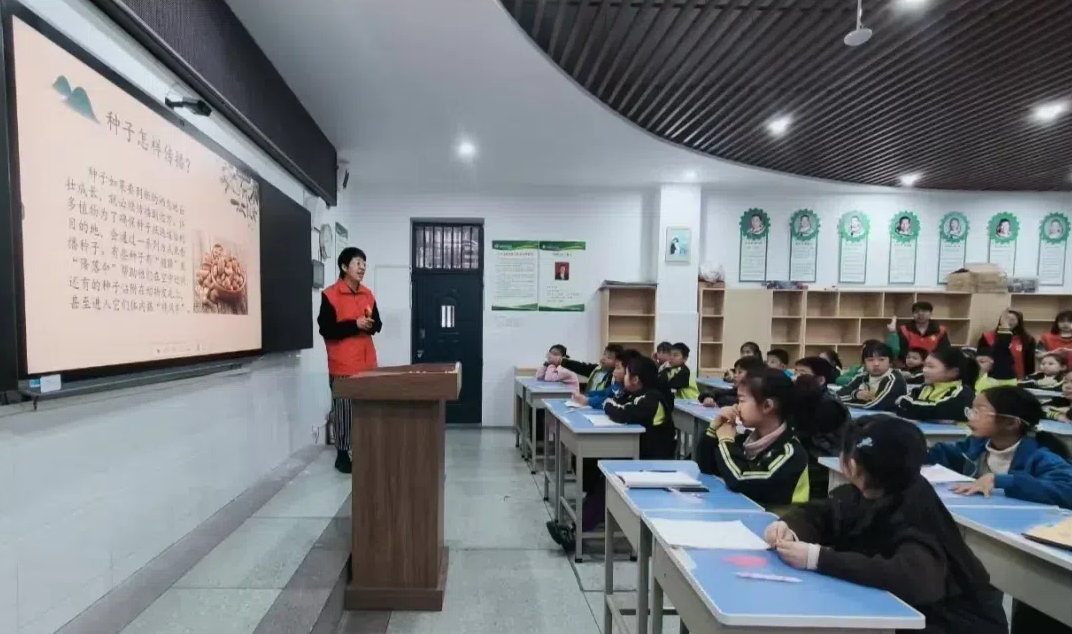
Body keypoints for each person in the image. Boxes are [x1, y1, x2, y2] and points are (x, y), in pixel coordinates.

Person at [766, 415, 1009, 634]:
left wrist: (818, 558)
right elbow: (823, 513)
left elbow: (914, 579)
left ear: (852, 465)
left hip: (954, 624)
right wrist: (790, 527)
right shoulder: (872, 491)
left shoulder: (914, 510)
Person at [549, 356, 675, 551]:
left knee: (608, 483)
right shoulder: (635, 393)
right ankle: (592, 509)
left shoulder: (651, 399)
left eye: (627, 373)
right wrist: (611, 402)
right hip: (633, 451)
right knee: (591, 463)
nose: (623, 377)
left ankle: (576, 531)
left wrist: (609, 403)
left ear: (636, 379)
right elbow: (616, 403)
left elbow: (621, 412)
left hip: (650, 461)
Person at [927, 386, 1072, 508]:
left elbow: (1067, 490)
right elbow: (941, 454)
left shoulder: (1041, 457)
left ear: (1011, 423)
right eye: (972, 410)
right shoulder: (975, 445)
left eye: (979, 412)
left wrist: (1002, 481)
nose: (970, 418)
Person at [696, 368, 810, 508]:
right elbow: (707, 468)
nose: (736, 407)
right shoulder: (748, 440)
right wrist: (713, 430)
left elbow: (741, 479)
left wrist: (726, 441)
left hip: (778, 518)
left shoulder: (790, 453)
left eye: (742, 401)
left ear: (767, 406)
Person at [317, 247, 382, 474]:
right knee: (344, 412)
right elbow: (326, 329)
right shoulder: (330, 295)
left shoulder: (367, 294)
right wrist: (354, 324)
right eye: (357, 263)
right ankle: (343, 456)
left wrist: (369, 325)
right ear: (345, 267)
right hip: (342, 364)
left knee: (367, 410)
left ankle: (365, 451)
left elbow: (378, 324)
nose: (362, 267)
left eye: (364, 263)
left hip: (367, 363)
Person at [791, 360, 852, 499]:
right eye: (796, 372)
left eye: (802, 373)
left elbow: (805, 436)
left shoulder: (829, 405)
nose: (795, 378)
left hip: (825, 462)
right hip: (810, 456)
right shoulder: (805, 396)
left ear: (820, 380)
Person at [894, 348, 977, 423]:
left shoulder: (962, 393)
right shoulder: (923, 388)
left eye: (931, 367)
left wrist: (909, 405)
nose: (924, 370)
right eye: (924, 366)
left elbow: (937, 410)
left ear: (953, 372)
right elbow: (900, 406)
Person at [837, 341, 907, 411]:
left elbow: (876, 405)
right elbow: (838, 395)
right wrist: (855, 394)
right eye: (870, 360)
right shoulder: (862, 377)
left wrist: (843, 402)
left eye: (881, 360)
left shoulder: (894, 379)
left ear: (890, 362)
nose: (876, 364)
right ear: (864, 363)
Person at [977, 309, 1034, 379]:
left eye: (1012, 320)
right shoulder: (987, 337)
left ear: (1019, 322)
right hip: (992, 378)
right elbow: (981, 360)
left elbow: (1030, 363)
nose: (1008, 322)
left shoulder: (1027, 339)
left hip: (1018, 379)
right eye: (1006, 319)